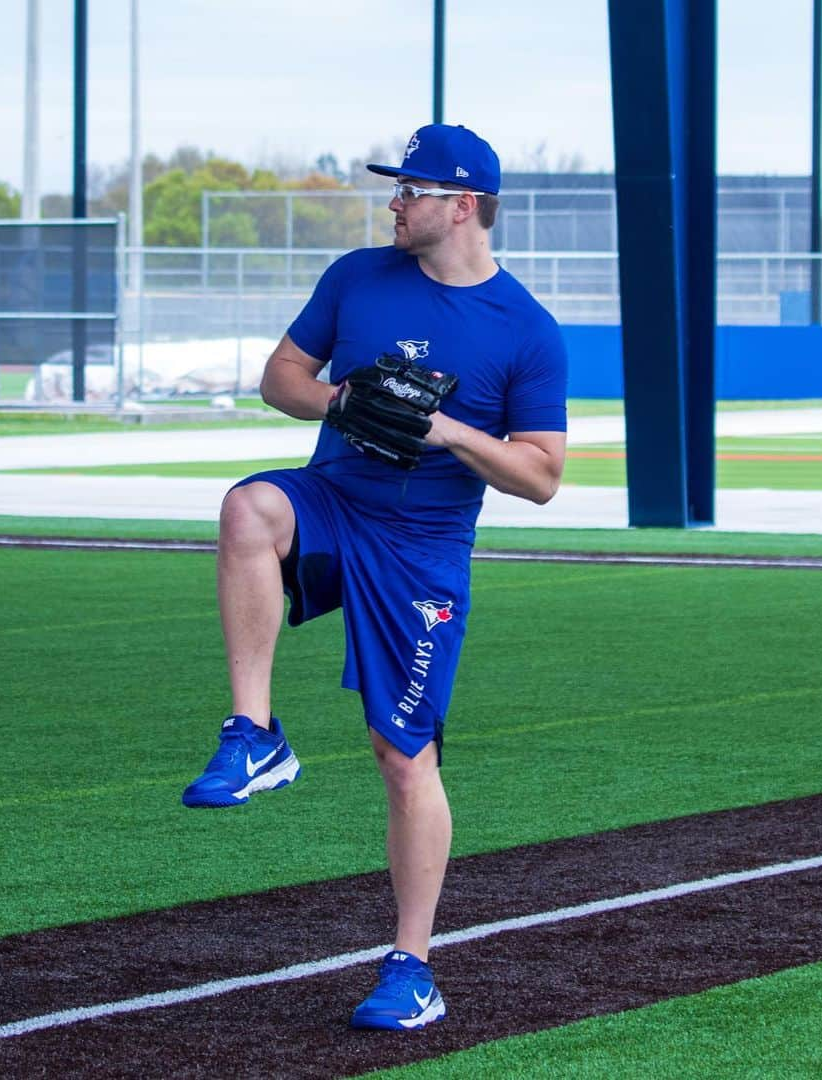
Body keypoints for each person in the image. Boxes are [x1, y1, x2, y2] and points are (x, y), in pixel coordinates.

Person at [180, 123, 569, 1031]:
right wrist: (342, 400)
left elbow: (543, 477)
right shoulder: (357, 276)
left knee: (403, 758)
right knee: (247, 508)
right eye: (394, 189)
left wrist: (448, 431)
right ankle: (255, 732)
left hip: (425, 548)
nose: (392, 202)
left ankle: (412, 967)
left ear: (461, 204)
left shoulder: (526, 329)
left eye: (410, 190)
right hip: (334, 500)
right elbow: (280, 378)